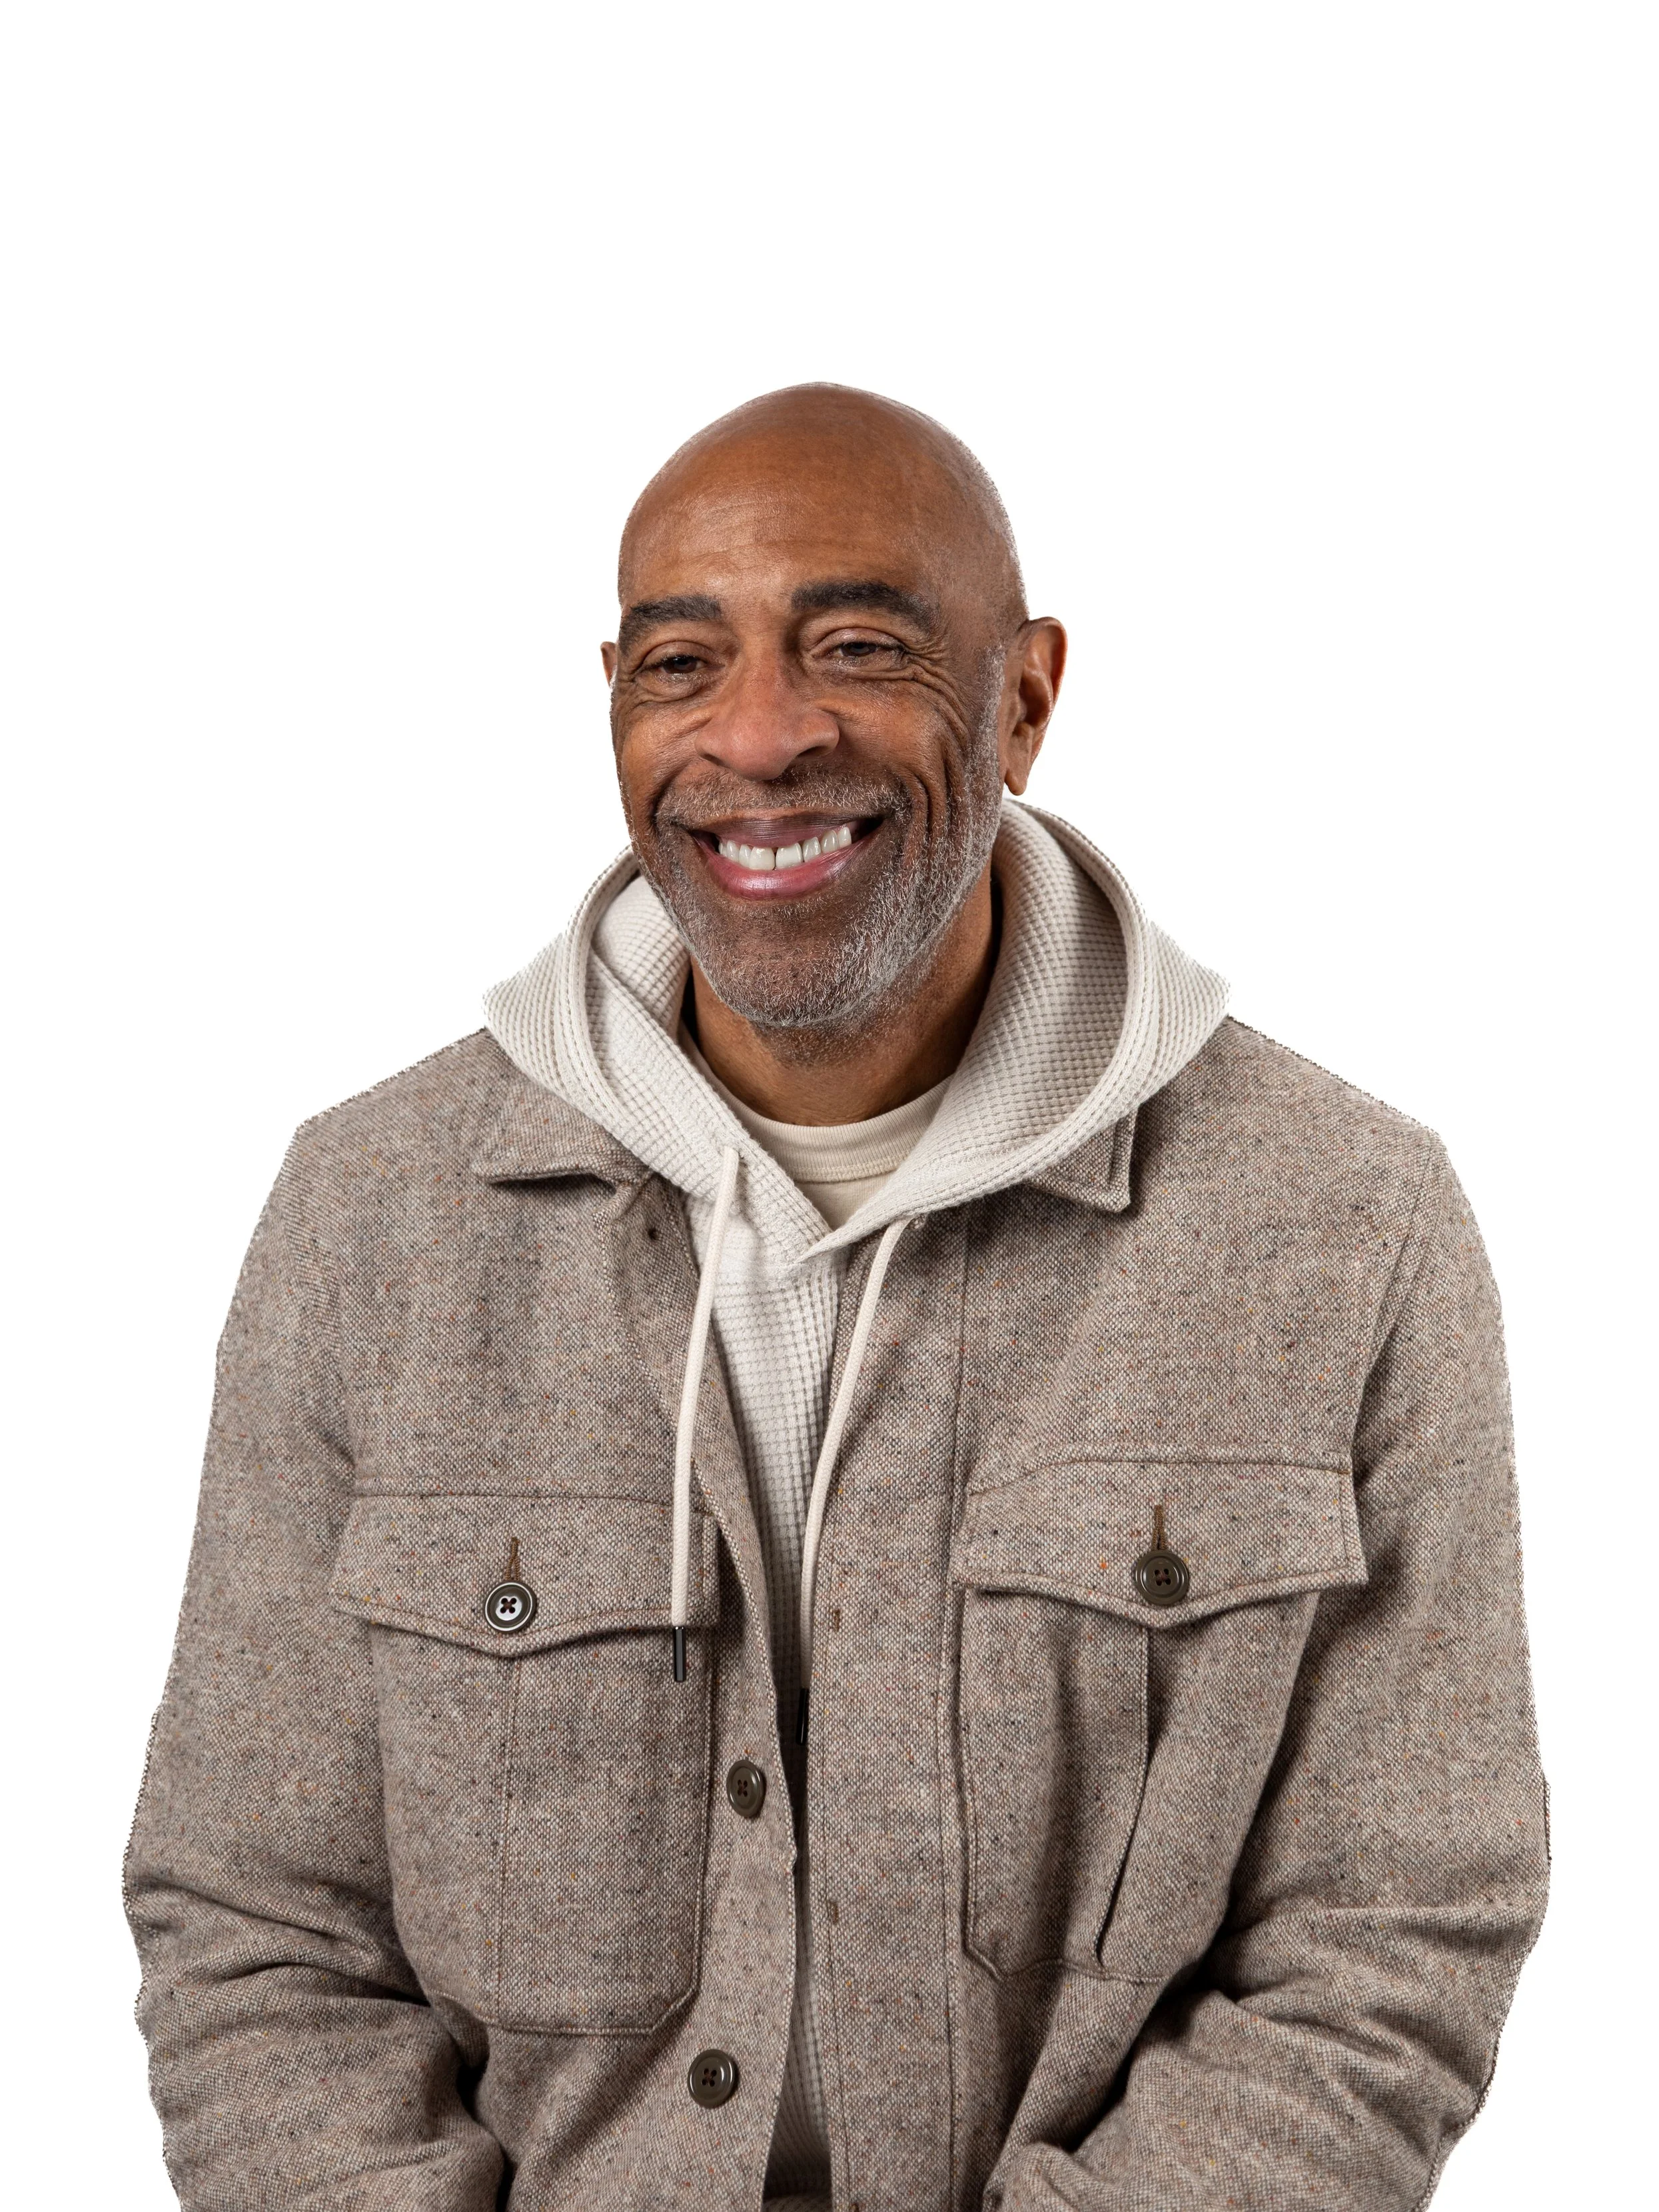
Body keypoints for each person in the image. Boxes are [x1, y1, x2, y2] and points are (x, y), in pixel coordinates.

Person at [126, 384, 1548, 2212]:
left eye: (856, 646)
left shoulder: (1341, 1217)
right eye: (677, 664)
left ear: (1023, 696)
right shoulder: (373, 1211)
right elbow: (256, 1918)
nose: (760, 733)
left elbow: (1392, 1923)